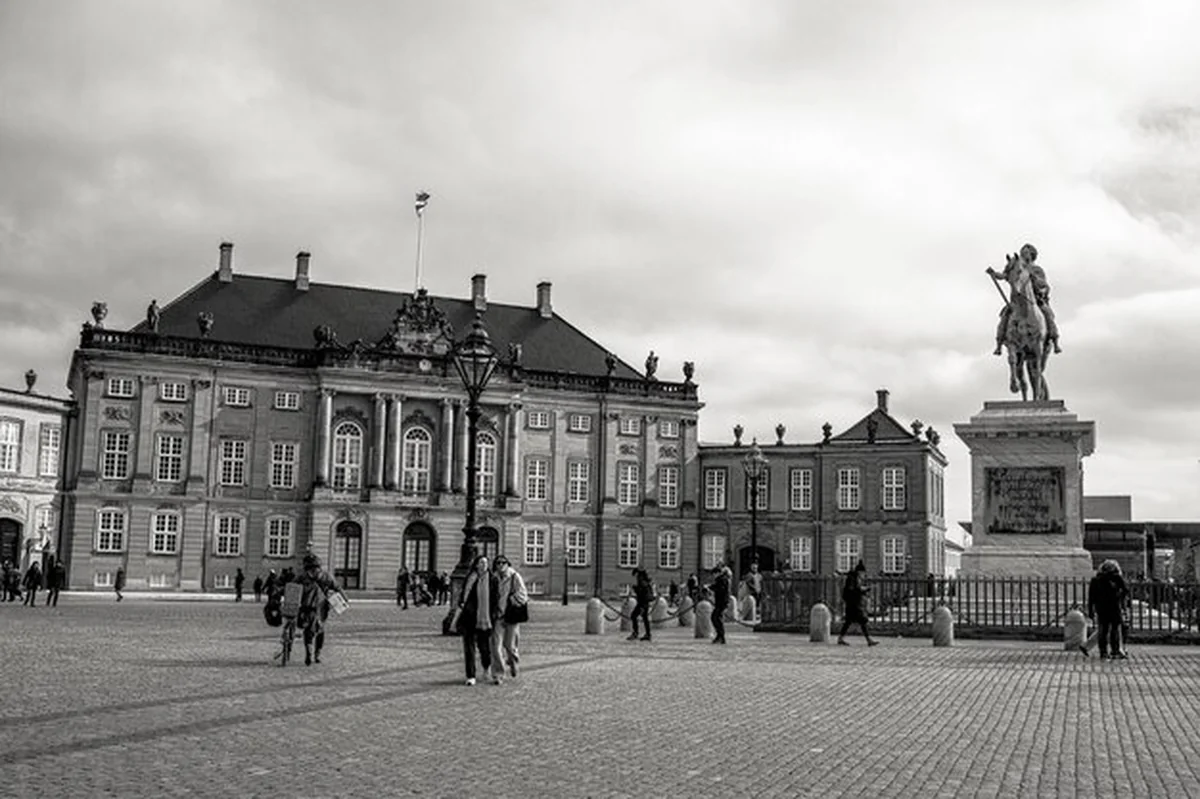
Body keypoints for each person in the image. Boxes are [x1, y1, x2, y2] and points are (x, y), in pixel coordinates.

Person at [990, 242, 1061, 356]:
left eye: (1026, 253)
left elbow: (1044, 285)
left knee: (1048, 313)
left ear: (1032, 255)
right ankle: (999, 343)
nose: (1023, 254)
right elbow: (1004, 275)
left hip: (1035, 301)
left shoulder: (1037, 269)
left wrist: (1040, 288)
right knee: (1005, 315)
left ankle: (1055, 339)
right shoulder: (1016, 267)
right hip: (1016, 302)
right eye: (1022, 252)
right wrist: (994, 274)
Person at [455, 555, 496, 686]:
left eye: (486, 562)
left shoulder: (493, 580)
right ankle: (470, 675)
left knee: (484, 648)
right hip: (469, 617)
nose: (484, 565)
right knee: (469, 648)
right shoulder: (471, 578)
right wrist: (462, 604)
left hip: (485, 618)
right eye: (481, 562)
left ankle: (486, 666)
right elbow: (463, 595)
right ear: (476, 564)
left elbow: (495, 599)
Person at [295, 553, 343, 666]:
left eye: (315, 568)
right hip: (309, 608)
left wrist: (341, 600)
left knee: (316, 630)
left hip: (320, 608)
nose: (313, 571)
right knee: (314, 630)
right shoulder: (303, 577)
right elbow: (292, 588)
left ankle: (314, 653)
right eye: (311, 568)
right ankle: (312, 653)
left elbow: (337, 588)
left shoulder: (325, 577)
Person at [490, 554, 528, 683]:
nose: (500, 565)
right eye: (498, 563)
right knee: (495, 646)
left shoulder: (514, 577)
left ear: (508, 564)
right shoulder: (494, 578)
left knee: (509, 646)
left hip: (511, 616)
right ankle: (498, 674)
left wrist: (512, 599)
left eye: (503, 563)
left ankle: (513, 662)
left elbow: (523, 595)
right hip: (498, 617)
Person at [1087, 559, 1130, 660]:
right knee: (1114, 630)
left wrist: (1091, 611)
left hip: (1101, 607)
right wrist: (1120, 596)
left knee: (1103, 630)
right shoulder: (1117, 578)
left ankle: (1103, 652)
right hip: (1114, 606)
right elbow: (1126, 590)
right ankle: (1115, 651)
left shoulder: (1096, 579)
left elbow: (1091, 597)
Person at [838, 561, 878, 646]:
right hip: (853, 604)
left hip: (853, 604)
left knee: (848, 622)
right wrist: (864, 589)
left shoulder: (854, 578)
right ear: (860, 572)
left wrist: (864, 590)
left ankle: (840, 638)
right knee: (862, 621)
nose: (863, 575)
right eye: (863, 573)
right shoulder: (853, 578)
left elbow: (856, 589)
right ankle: (869, 640)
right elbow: (854, 590)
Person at [628, 567, 654, 642]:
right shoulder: (644, 580)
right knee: (644, 618)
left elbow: (642, 593)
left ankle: (636, 633)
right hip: (643, 603)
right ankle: (648, 634)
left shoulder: (641, 581)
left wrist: (635, 589)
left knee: (633, 616)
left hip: (642, 603)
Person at [710, 564, 731, 644]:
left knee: (716, 618)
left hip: (722, 602)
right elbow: (718, 587)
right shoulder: (722, 579)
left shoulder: (721, 579)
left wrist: (712, 588)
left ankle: (721, 636)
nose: (713, 576)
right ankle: (720, 636)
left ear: (717, 573)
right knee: (716, 618)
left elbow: (720, 590)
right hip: (722, 602)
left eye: (714, 574)